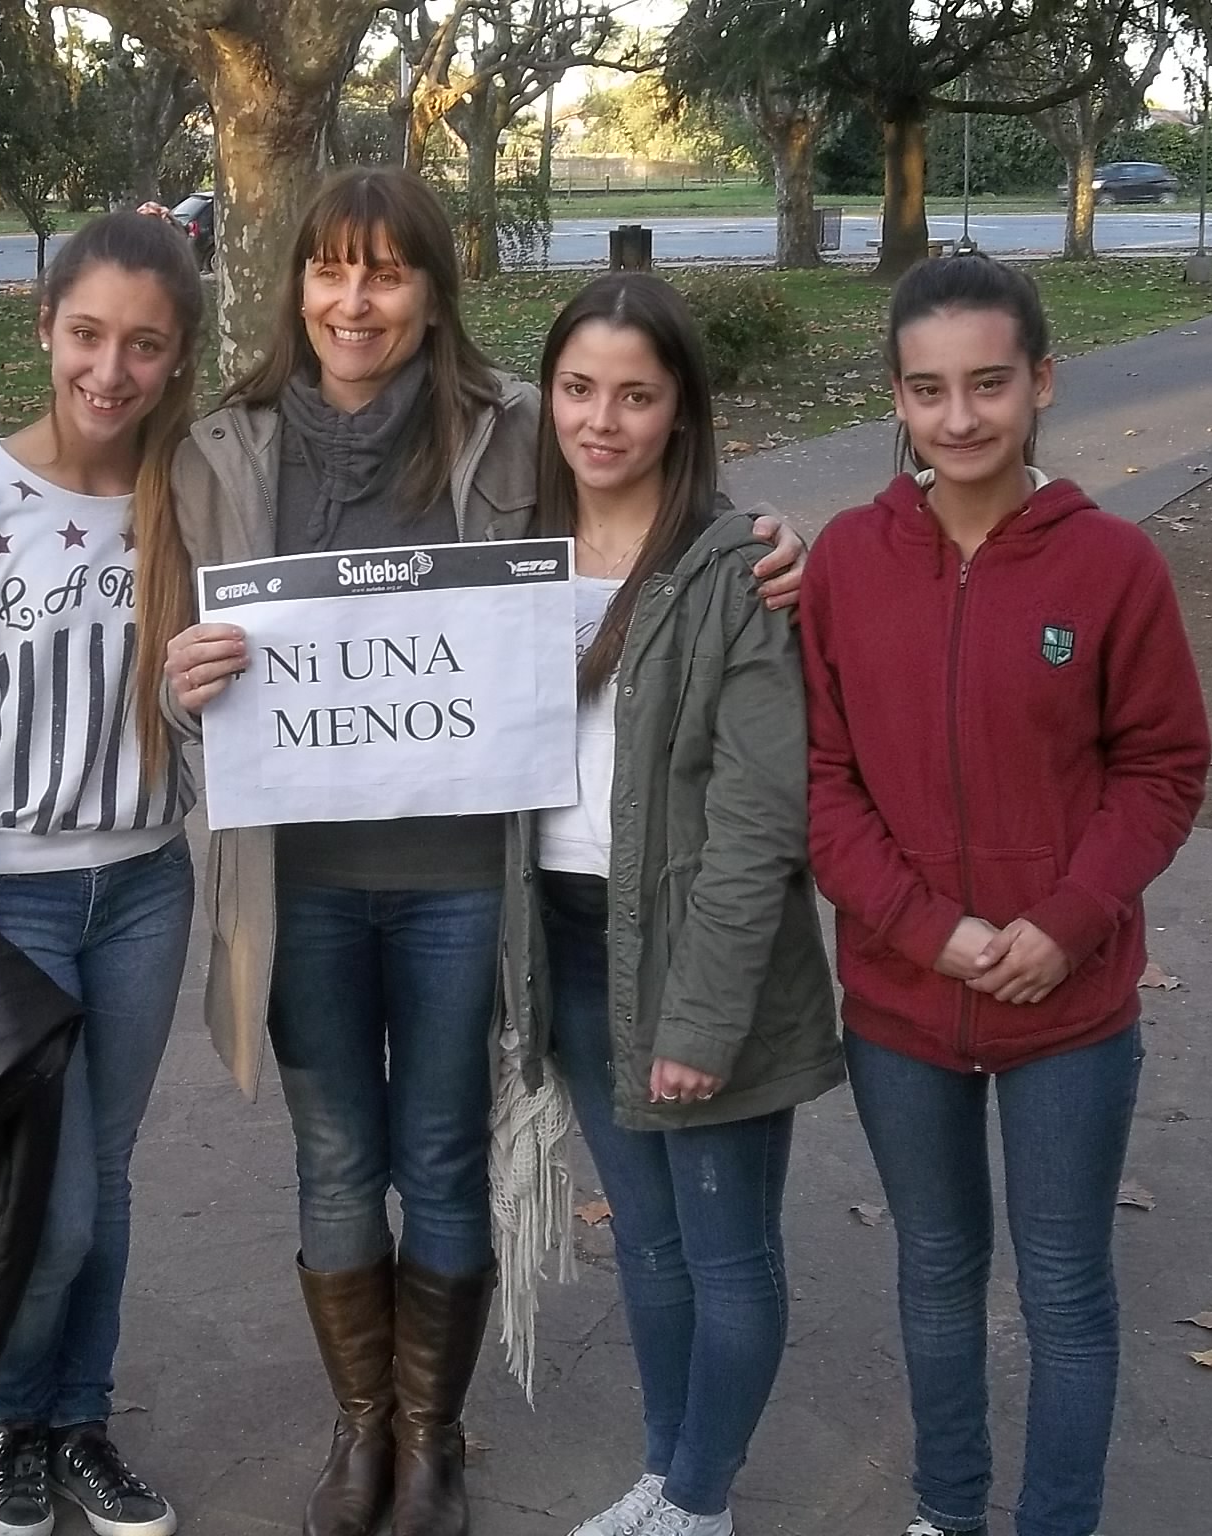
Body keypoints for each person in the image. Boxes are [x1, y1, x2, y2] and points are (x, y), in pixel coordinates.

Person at [161, 169, 806, 1536]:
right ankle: (363, 1429)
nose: (354, 301)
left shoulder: (511, 427)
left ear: (433, 292)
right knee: (336, 1157)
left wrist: (767, 542)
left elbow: (647, 491)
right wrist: (180, 684)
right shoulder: (221, 447)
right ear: (294, 285)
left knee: (444, 1155)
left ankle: (433, 1437)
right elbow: (175, 661)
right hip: (297, 884)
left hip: (468, 879)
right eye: (330, 269)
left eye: (387, 272)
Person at [800, 253, 1210, 1536]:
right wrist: (927, 931)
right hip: (900, 1006)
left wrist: (1065, 924)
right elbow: (820, 782)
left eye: (987, 383)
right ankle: (946, 1510)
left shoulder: (1111, 567)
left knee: (1064, 1287)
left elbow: (1160, 768)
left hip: (1067, 1009)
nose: (959, 416)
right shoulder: (844, 565)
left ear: (1041, 382)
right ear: (895, 398)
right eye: (927, 389)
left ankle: (1055, 1520)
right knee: (934, 1273)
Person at [494, 272, 843, 1536]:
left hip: (699, 956)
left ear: (679, 409)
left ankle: (697, 1503)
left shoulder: (734, 569)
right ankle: (663, 1473)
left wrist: (700, 1019)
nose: (601, 420)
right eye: (577, 389)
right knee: (644, 1242)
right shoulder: (510, 558)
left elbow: (758, 821)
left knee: (724, 1250)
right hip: (570, 945)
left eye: (634, 396)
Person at [0, 212, 203, 1536]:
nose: (110, 370)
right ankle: (15, 1421)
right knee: (57, 1204)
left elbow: (215, 703)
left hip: (144, 886)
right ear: (44, 328)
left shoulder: (189, 498)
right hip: (13, 903)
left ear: (177, 357)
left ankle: (80, 1420)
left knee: (108, 1176)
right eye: (87, 334)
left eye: (144, 345)